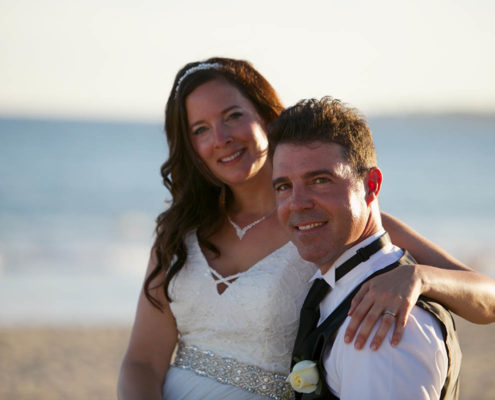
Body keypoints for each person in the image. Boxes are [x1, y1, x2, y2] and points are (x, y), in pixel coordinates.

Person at [117, 58, 495, 400]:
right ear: (191, 146)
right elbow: (142, 363)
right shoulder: (177, 234)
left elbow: (488, 298)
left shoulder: (328, 221)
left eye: (232, 115)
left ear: (266, 116)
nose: (221, 137)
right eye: (201, 129)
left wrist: (418, 277)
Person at [270, 97, 461, 399]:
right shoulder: (346, 285)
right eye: (283, 186)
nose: (297, 202)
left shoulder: (383, 328)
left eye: (320, 180)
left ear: (371, 185)